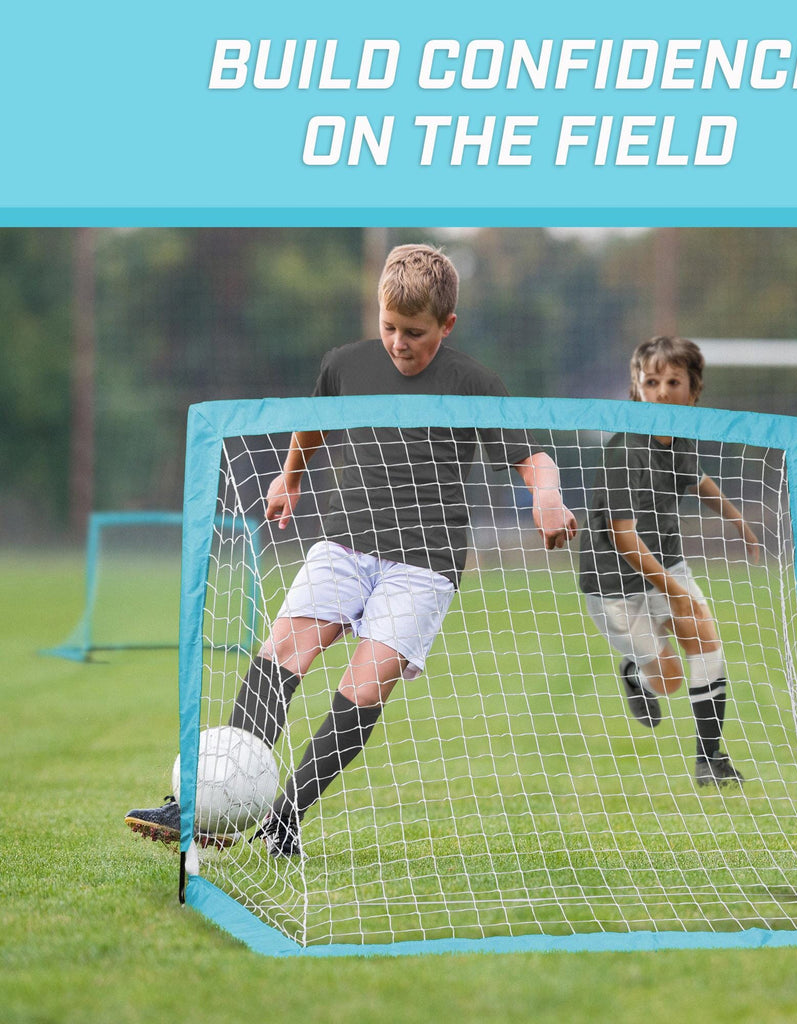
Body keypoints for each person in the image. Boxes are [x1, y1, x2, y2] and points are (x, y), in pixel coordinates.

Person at [126, 243, 578, 855]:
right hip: (344, 542)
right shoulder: (345, 365)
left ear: (447, 325)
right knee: (282, 650)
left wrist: (546, 500)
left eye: (415, 333)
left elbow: (533, 458)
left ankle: (284, 817)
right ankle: (203, 804)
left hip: (424, 564)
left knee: (365, 687)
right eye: (389, 327)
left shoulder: (476, 385)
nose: (399, 343)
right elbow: (314, 422)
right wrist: (290, 475)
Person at [577, 336, 760, 787]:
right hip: (614, 580)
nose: (661, 391)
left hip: (667, 562)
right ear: (636, 388)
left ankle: (710, 760)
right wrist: (674, 592)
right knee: (670, 680)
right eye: (651, 381)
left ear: (693, 391)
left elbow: (696, 480)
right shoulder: (625, 451)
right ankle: (635, 672)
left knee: (705, 638)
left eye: (673, 381)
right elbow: (623, 538)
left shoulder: (677, 439)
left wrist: (738, 520)